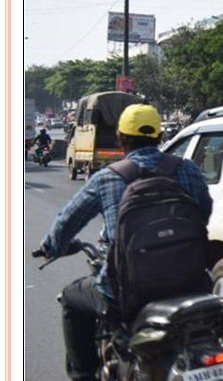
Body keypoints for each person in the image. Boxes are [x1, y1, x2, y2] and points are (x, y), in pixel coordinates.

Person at [38, 103, 213, 381]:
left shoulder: (107, 178)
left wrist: (51, 246)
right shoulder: (188, 170)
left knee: (72, 296)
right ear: (159, 137)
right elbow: (203, 212)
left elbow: (68, 221)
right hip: (191, 281)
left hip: (127, 292)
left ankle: (83, 375)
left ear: (121, 139)